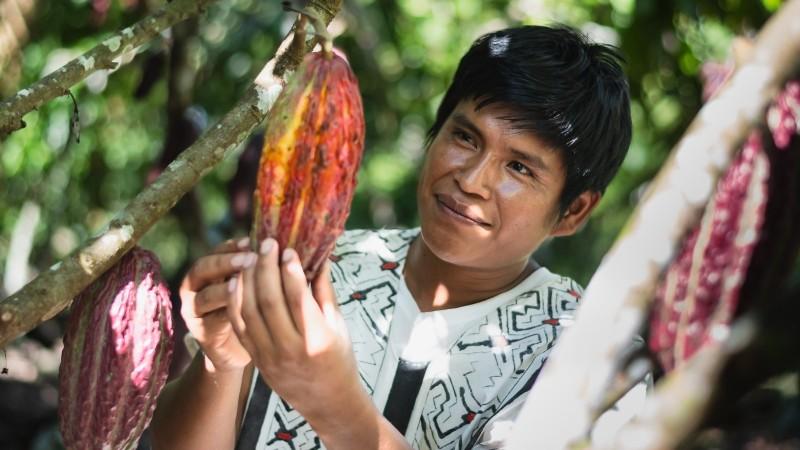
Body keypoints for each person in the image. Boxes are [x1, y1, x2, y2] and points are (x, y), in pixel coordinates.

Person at [151, 24, 636, 450]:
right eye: (465, 136)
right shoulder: (318, 267)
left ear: (573, 211)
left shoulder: (590, 361)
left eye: (519, 167)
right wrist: (221, 363)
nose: (471, 179)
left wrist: (337, 408)